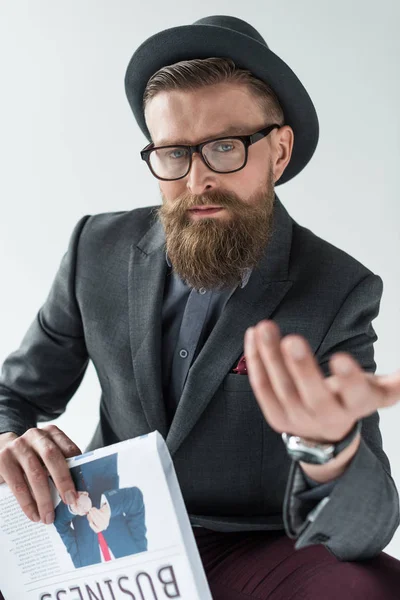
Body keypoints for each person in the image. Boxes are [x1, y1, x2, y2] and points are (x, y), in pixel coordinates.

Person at [0, 14, 400, 599]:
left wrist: (330, 447)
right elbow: (14, 397)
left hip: (255, 545)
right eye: (174, 154)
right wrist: (10, 440)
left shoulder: (337, 288)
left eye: (224, 148)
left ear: (279, 151)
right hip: (110, 532)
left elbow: (367, 527)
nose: (197, 180)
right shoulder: (97, 248)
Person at [54, 453, 147, 568]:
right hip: (100, 463)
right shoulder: (137, 556)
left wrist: (72, 507)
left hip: (65, 473)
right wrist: (108, 509)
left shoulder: (83, 567)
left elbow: (60, 525)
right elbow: (135, 499)